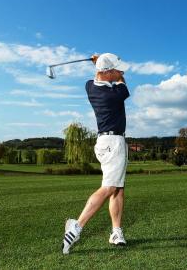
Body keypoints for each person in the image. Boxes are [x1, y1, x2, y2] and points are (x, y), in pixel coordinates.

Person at [62, 53, 130, 255]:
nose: (121, 72)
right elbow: (122, 83)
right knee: (109, 187)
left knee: (118, 188)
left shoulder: (89, 87)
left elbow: (99, 77)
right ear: (108, 72)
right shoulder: (116, 93)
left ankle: (116, 232)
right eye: (118, 69)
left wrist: (98, 64)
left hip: (104, 142)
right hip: (114, 143)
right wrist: (100, 64)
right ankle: (77, 225)